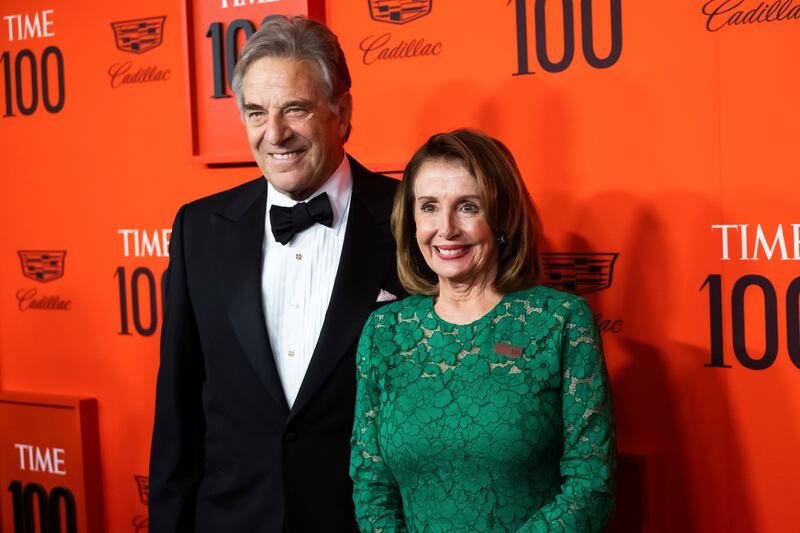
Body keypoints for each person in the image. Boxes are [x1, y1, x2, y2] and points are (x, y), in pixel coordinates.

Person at [149, 16, 402, 532]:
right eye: (256, 112)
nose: (275, 133)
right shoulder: (198, 228)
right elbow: (177, 410)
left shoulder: (411, 221)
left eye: (295, 109)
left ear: (343, 112)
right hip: (231, 518)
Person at [350, 129, 615, 532]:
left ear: (502, 217)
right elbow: (371, 484)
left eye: (468, 207)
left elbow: (590, 484)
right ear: (412, 219)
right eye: (429, 207)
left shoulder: (560, 321)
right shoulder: (384, 331)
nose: (446, 228)